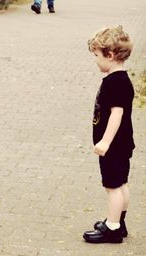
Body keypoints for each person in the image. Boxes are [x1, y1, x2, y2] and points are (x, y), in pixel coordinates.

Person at [83, 25, 135, 244]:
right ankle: (118, 221)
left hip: (114, 145)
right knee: (121, 184)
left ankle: (112, 228)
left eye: (96, 56)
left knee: (112, 186)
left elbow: (117, 114)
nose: (95, 60)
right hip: (122, 144)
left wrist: (105, 141)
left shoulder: (115, 83)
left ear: (110, 55)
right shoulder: (120, 80)